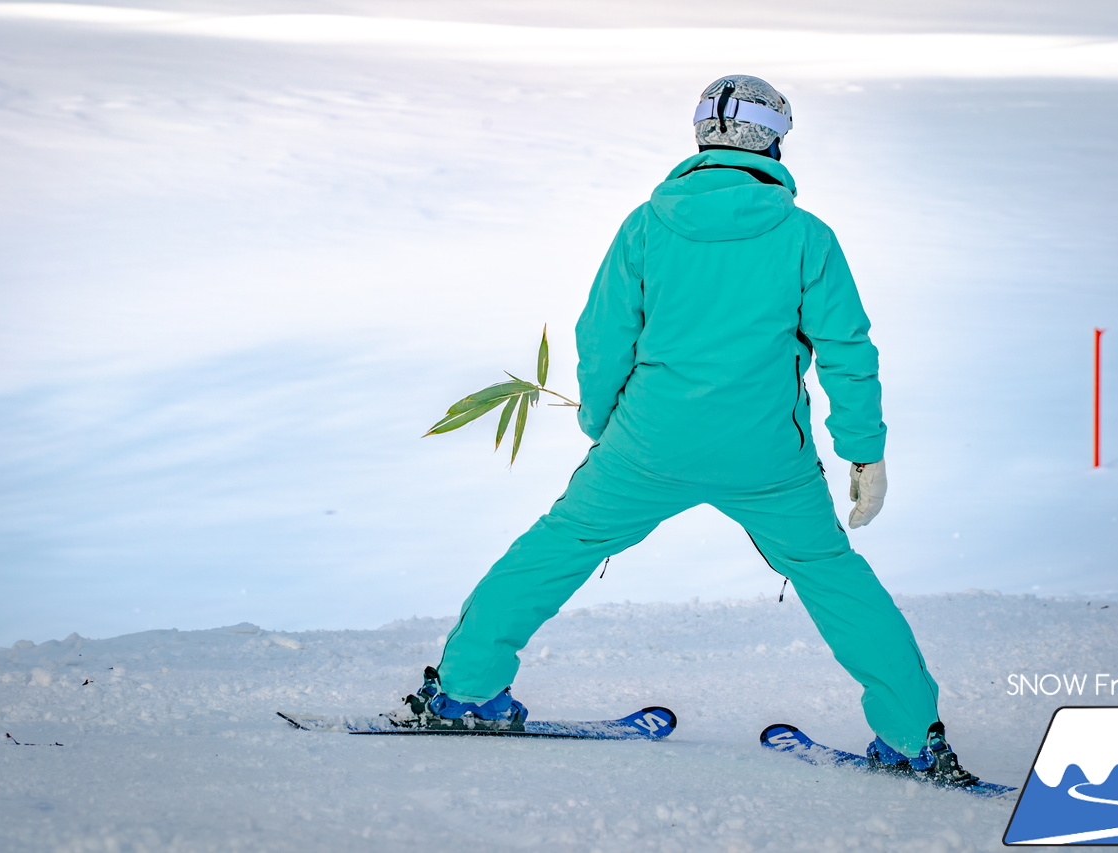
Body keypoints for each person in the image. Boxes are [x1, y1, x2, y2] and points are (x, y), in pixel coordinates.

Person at [396, 75, 979, 788]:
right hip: (768, 458)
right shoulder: (805, 236)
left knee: (554, 549)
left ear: (700, 139)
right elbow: (848, 351)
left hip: (646, 445)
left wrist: (603, 423)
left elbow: (603, 335)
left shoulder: (646, 225)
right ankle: (913, 736)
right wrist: (864, 452)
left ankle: (462, 690)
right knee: (832, 575)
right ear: (775, 142)